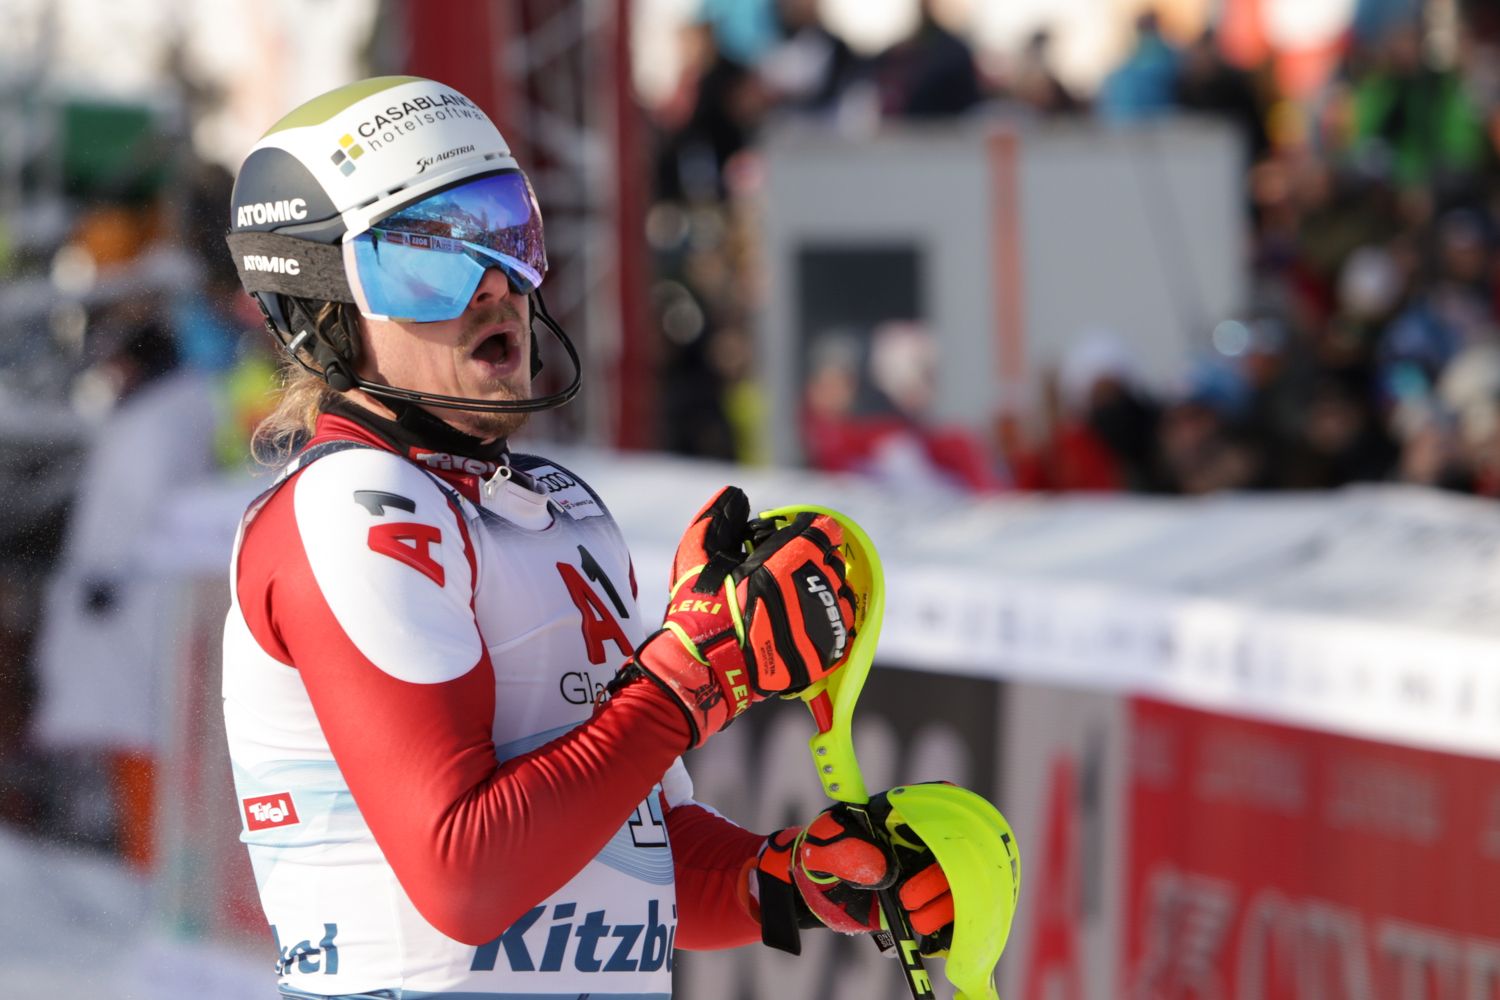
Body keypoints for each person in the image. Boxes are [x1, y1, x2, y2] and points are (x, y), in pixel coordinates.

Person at [221, 76, 957, 997]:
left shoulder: (558, 507)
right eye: (426, 257)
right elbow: (468, 875)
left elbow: (632, 852)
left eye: (502, 227)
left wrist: (794, 879)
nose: (494, 283)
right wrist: (691, 679)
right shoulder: (358, 507)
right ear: (324, 314)